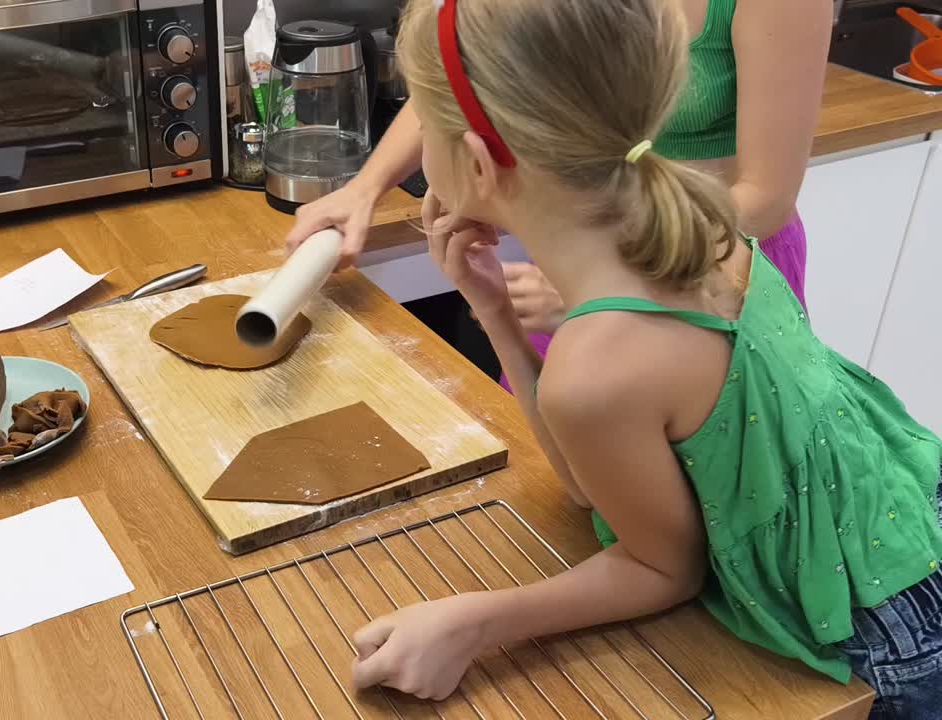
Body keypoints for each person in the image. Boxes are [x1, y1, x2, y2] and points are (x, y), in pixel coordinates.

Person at [345, 0, 942, 717]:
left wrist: (473, 622)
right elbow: (590, 486)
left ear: (473, 163)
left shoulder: (600, 365)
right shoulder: (698, 224)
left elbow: (665, 568)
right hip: (900, 519)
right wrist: (496, 315)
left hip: (887, 625)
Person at [285, 0, 830, 361]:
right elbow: (459, 72)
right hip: (586, 257)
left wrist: (612, 281)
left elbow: (764, 198)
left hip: (717, 266)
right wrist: (364, 189)